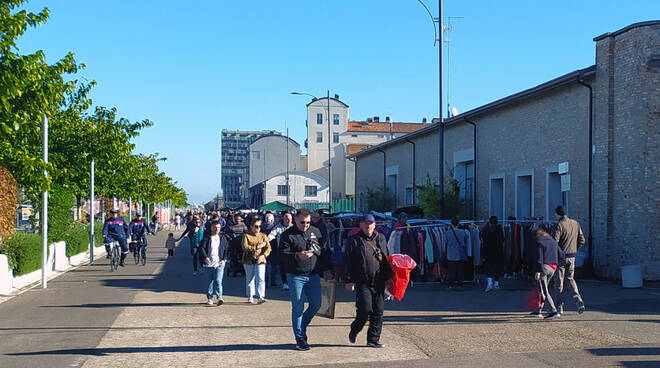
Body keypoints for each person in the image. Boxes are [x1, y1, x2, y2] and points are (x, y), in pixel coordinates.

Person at [279, 208, 333, 351]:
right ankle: (300, 338)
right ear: (295, 219)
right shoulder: (287, 235)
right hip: (295, 275)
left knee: (316, 304)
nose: (305, 225)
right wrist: (297, 256)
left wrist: (327, 269)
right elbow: (282, 255)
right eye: (302, 222)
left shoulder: (316, 232)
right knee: (298, 306)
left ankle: (301, 326)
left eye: (308, 222)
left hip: (313, 274)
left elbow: (324, 252)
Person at [345, 214, 391, 348]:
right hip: (362, 281)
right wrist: (349, 280)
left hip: (379, 280)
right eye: (365, 223)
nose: (368, 226)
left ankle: (373, 340)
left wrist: (389, 278)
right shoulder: (354, 239)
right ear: (360, 225)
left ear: (375, 225)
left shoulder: (381, 238)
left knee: (378, 311)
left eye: (370, 223)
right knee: (365, 310)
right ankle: (355, 328)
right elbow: (348, 261)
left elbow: (386, 258)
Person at [552, 206, 586, 315]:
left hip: (561, 257)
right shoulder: (575, 223)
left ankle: (559, 307)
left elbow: (554, 243)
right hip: (572, 256)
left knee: (558, 283)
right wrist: (575, 248)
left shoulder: (559, 225)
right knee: (570, 279)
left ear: (557, 214)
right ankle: (577, 297)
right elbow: (582, 240)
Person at [533, 228, 565, 320]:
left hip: (544, 267)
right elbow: (562, 254)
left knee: (544, 291)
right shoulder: (553, 241)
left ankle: (553, 311)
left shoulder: (539, 242)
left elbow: (539, 258)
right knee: (543, 288)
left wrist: (538, 271)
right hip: (553, 267)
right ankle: (538, 310)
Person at [199, 221, 230, 306]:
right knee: (209, 282)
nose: (217, 229)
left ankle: (219, 297)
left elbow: (226, 249)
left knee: (218, 280)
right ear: (211, 228)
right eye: (215, 227)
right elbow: (201, 248)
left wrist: (224, 259)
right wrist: (205, 257)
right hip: (209, 263)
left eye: (218, 227)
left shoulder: (222, 237)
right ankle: (209, 298)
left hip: (219, 263)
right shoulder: (207, 238)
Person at [242, 217, 271, 304]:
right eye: (256, 226)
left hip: (260, 259)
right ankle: (250, 296)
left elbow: (268, 248)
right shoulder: (246, 236)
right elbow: (245, 247)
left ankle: (261, 296)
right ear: (251, 226)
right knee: (250, 278)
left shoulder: (263, 236)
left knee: (261, 278)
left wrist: (263, 255)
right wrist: (257, 246)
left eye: (259, 226)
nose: (258, 228)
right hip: (248, 259)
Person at [267, 211, 293, 290]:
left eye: (290, 219)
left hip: (293, 251)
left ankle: (292, 282)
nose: (288, 220)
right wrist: (266, 240)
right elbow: (271, 235)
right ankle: (285, 283)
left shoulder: (294, 227)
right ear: (283, 218)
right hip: (281, 250)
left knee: (291, 268)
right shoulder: (278, 227)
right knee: (282, 267)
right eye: (287, 218)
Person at [443, 216, 469, 289]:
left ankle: (451, 284)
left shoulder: (447, 233)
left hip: (450, 254)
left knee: (451, 271)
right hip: (460, 254)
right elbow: (467, 238)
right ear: (458, 224)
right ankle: (459, 284)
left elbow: (444, 244)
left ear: (451, 224)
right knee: (460, 270)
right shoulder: (463, 232)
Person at [481, 216, 505, 292]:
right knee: (497, 268)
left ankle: (489, 284)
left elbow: (483, 240)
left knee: (488, 268)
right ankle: (496, 284)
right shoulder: (499, 229)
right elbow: (503, 240)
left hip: (488, 252)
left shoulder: (486, 229)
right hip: (498, 251)